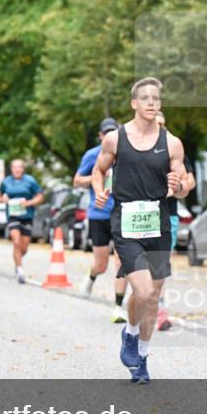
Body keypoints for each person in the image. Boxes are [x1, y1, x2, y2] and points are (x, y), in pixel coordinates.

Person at [91, 77, 189, 384]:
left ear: (159, 104)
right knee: (144, 291)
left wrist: (180, 186)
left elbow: (184, 184)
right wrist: (99, 191)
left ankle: (141, 356)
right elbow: (99, 170)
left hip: (158, 223)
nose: (150, 102)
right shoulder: (115, 140)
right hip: (127, 223)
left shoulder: (172, 143)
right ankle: (131, 332)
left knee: (152, 295)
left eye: (155, 98)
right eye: (144, 98)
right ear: (134, 103)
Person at [74, 118, 129, 320]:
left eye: (112, 132)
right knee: (101, 264)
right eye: (105, 133)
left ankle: (118, 306)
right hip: (98, 214)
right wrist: (100, 176)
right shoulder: (92, 155)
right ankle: (91, 276)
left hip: (122, 212)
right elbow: (77, 181)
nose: (109, 136)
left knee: (121, 259)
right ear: (100, 135)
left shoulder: (126, 152)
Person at [154, 111, 195, 331]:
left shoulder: (174, 150)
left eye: (162, 124)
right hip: (138, 216)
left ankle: (160, 311)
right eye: (154, 124)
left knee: (160, 265)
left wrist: (179, 186)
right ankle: (140, 301)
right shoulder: (133, 149)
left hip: (167, 215)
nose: (159, 128)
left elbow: (190, 181)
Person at [0, 160, 43, 284]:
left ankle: (17, 261)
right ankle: (20, 270)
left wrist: (28, 203)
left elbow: (40, 196)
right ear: (11, 169)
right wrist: (3, 199)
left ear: (23, 169)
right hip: (13, 216)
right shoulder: (6, 181)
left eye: (19, 167)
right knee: (16, 241)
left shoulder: (30, 181)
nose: (17, 170)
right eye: (14, 167)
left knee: (24, 248)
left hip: (27, 216)